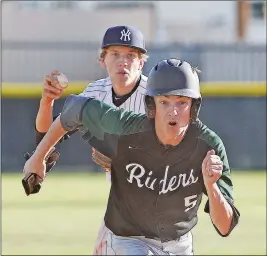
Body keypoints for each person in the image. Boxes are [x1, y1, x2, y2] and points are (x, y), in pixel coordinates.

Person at [23, 59, 240, 255]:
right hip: (129, 241)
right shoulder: (125, 128)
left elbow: (225, 225)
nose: (172, 111)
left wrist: (211, 187)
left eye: (182, 102)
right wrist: (38, 158)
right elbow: (73, 110)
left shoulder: (208, 147)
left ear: (194, 107)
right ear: (151, 106)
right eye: (164, 102)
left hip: (180, 244)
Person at [30, 25, 149, 254]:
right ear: (102, 60)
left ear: (141, 62)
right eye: (115, 54)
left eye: (131, 56)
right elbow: (48, 136)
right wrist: (47, 102)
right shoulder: (95, 93)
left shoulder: (155, 96)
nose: (123, 62)